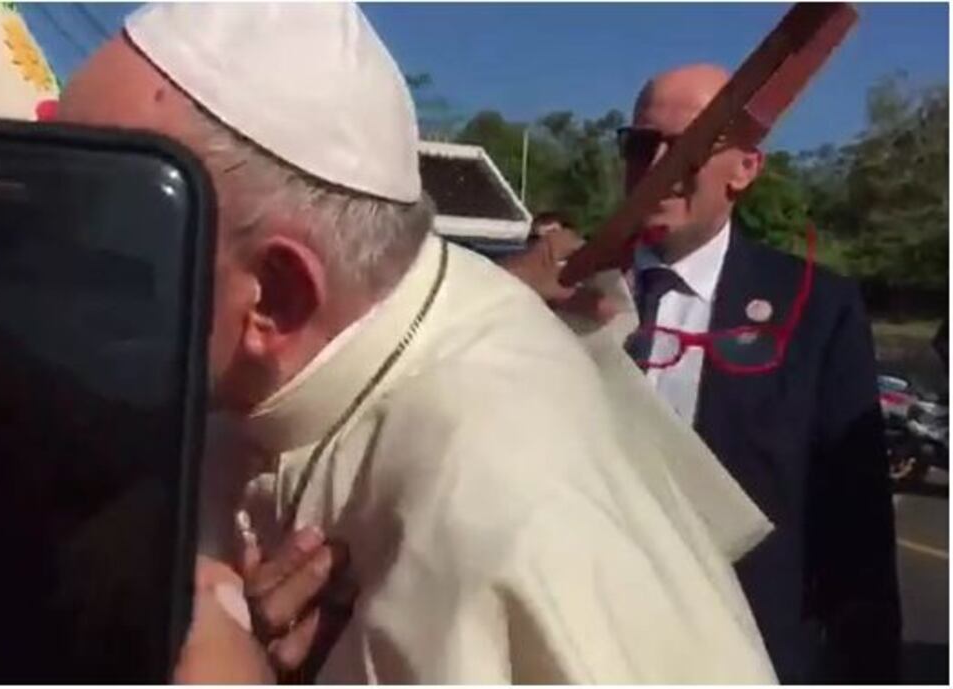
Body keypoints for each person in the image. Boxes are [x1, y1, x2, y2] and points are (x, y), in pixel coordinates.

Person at [58, 4, 778, 682]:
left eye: (107, 247)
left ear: (275, 297)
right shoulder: (288, 345)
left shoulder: (501, 507)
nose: (57, 275)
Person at [514, 64, 901, 683]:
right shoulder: (559, 291)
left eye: (687, 148)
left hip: (739, 650)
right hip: (575, 644)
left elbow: (856, 523)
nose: (658, 166)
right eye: (641, 145)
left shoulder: (816, 308)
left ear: (744, 169)